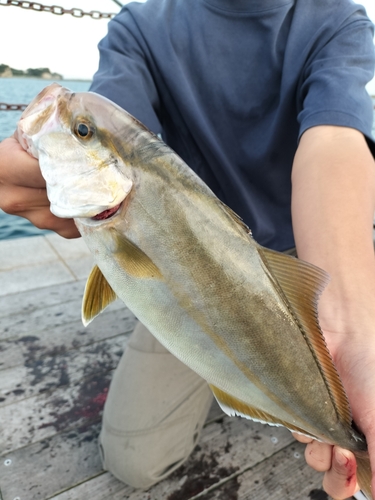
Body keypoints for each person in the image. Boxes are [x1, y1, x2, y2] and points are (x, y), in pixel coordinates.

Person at [1, 0, 375, 497]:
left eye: (80, 134)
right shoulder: (140, 26)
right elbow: (119, 121)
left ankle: (301, 401)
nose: (74, 126)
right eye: (81, 134)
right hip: (186, 278)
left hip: (309, 257)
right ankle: (279, 396)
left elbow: (335, 136)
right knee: (135, 459)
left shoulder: (336, 19)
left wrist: (348, 327)